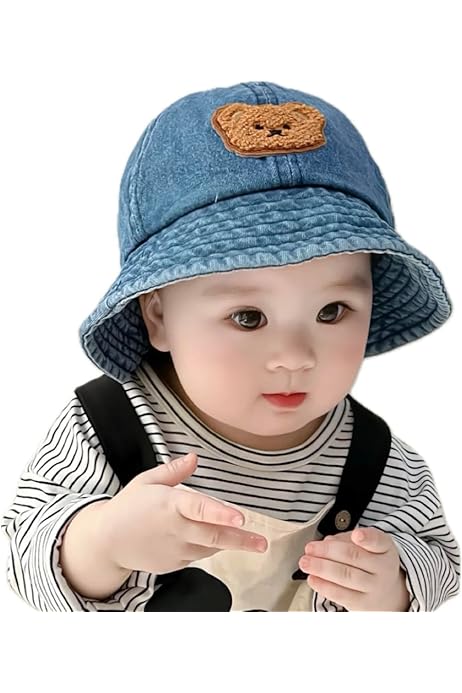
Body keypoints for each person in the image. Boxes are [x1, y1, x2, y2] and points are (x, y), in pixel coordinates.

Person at [2, 81, 460, 612]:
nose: (295, 356)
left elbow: (440, 562)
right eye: (248, 317)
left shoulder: (377, 460)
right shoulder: (107, 427)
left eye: (332, 311)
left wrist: (395, 586)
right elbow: (21, 553)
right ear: (158, 315)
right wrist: (102, 543)